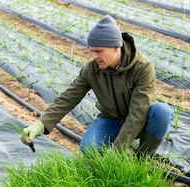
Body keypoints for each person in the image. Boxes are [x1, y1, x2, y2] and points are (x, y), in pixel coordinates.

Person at [20, 15, 173, 157]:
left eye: (99, 51)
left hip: (142, 120)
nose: (94, 57)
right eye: (92, 51)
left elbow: (137, 114)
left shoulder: (142, 67)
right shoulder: (92, 69)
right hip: (111, 119)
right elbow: (67, 99)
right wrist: (40, 125)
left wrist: (116, 152)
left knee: (162, 112)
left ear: (116, 47)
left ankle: (141, 161)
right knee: (89, 148)